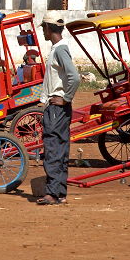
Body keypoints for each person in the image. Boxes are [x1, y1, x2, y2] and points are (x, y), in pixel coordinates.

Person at [36, 15, 81, 206]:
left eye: (43, 28)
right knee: (60, 149)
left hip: (56, 107)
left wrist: (65, 98)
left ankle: (53, 193)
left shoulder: (60, 50)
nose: (43, 32)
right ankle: (60, 192)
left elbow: (74, 77)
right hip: (58, 108)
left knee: (53, 149)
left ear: (48, 28)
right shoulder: (59, 48)